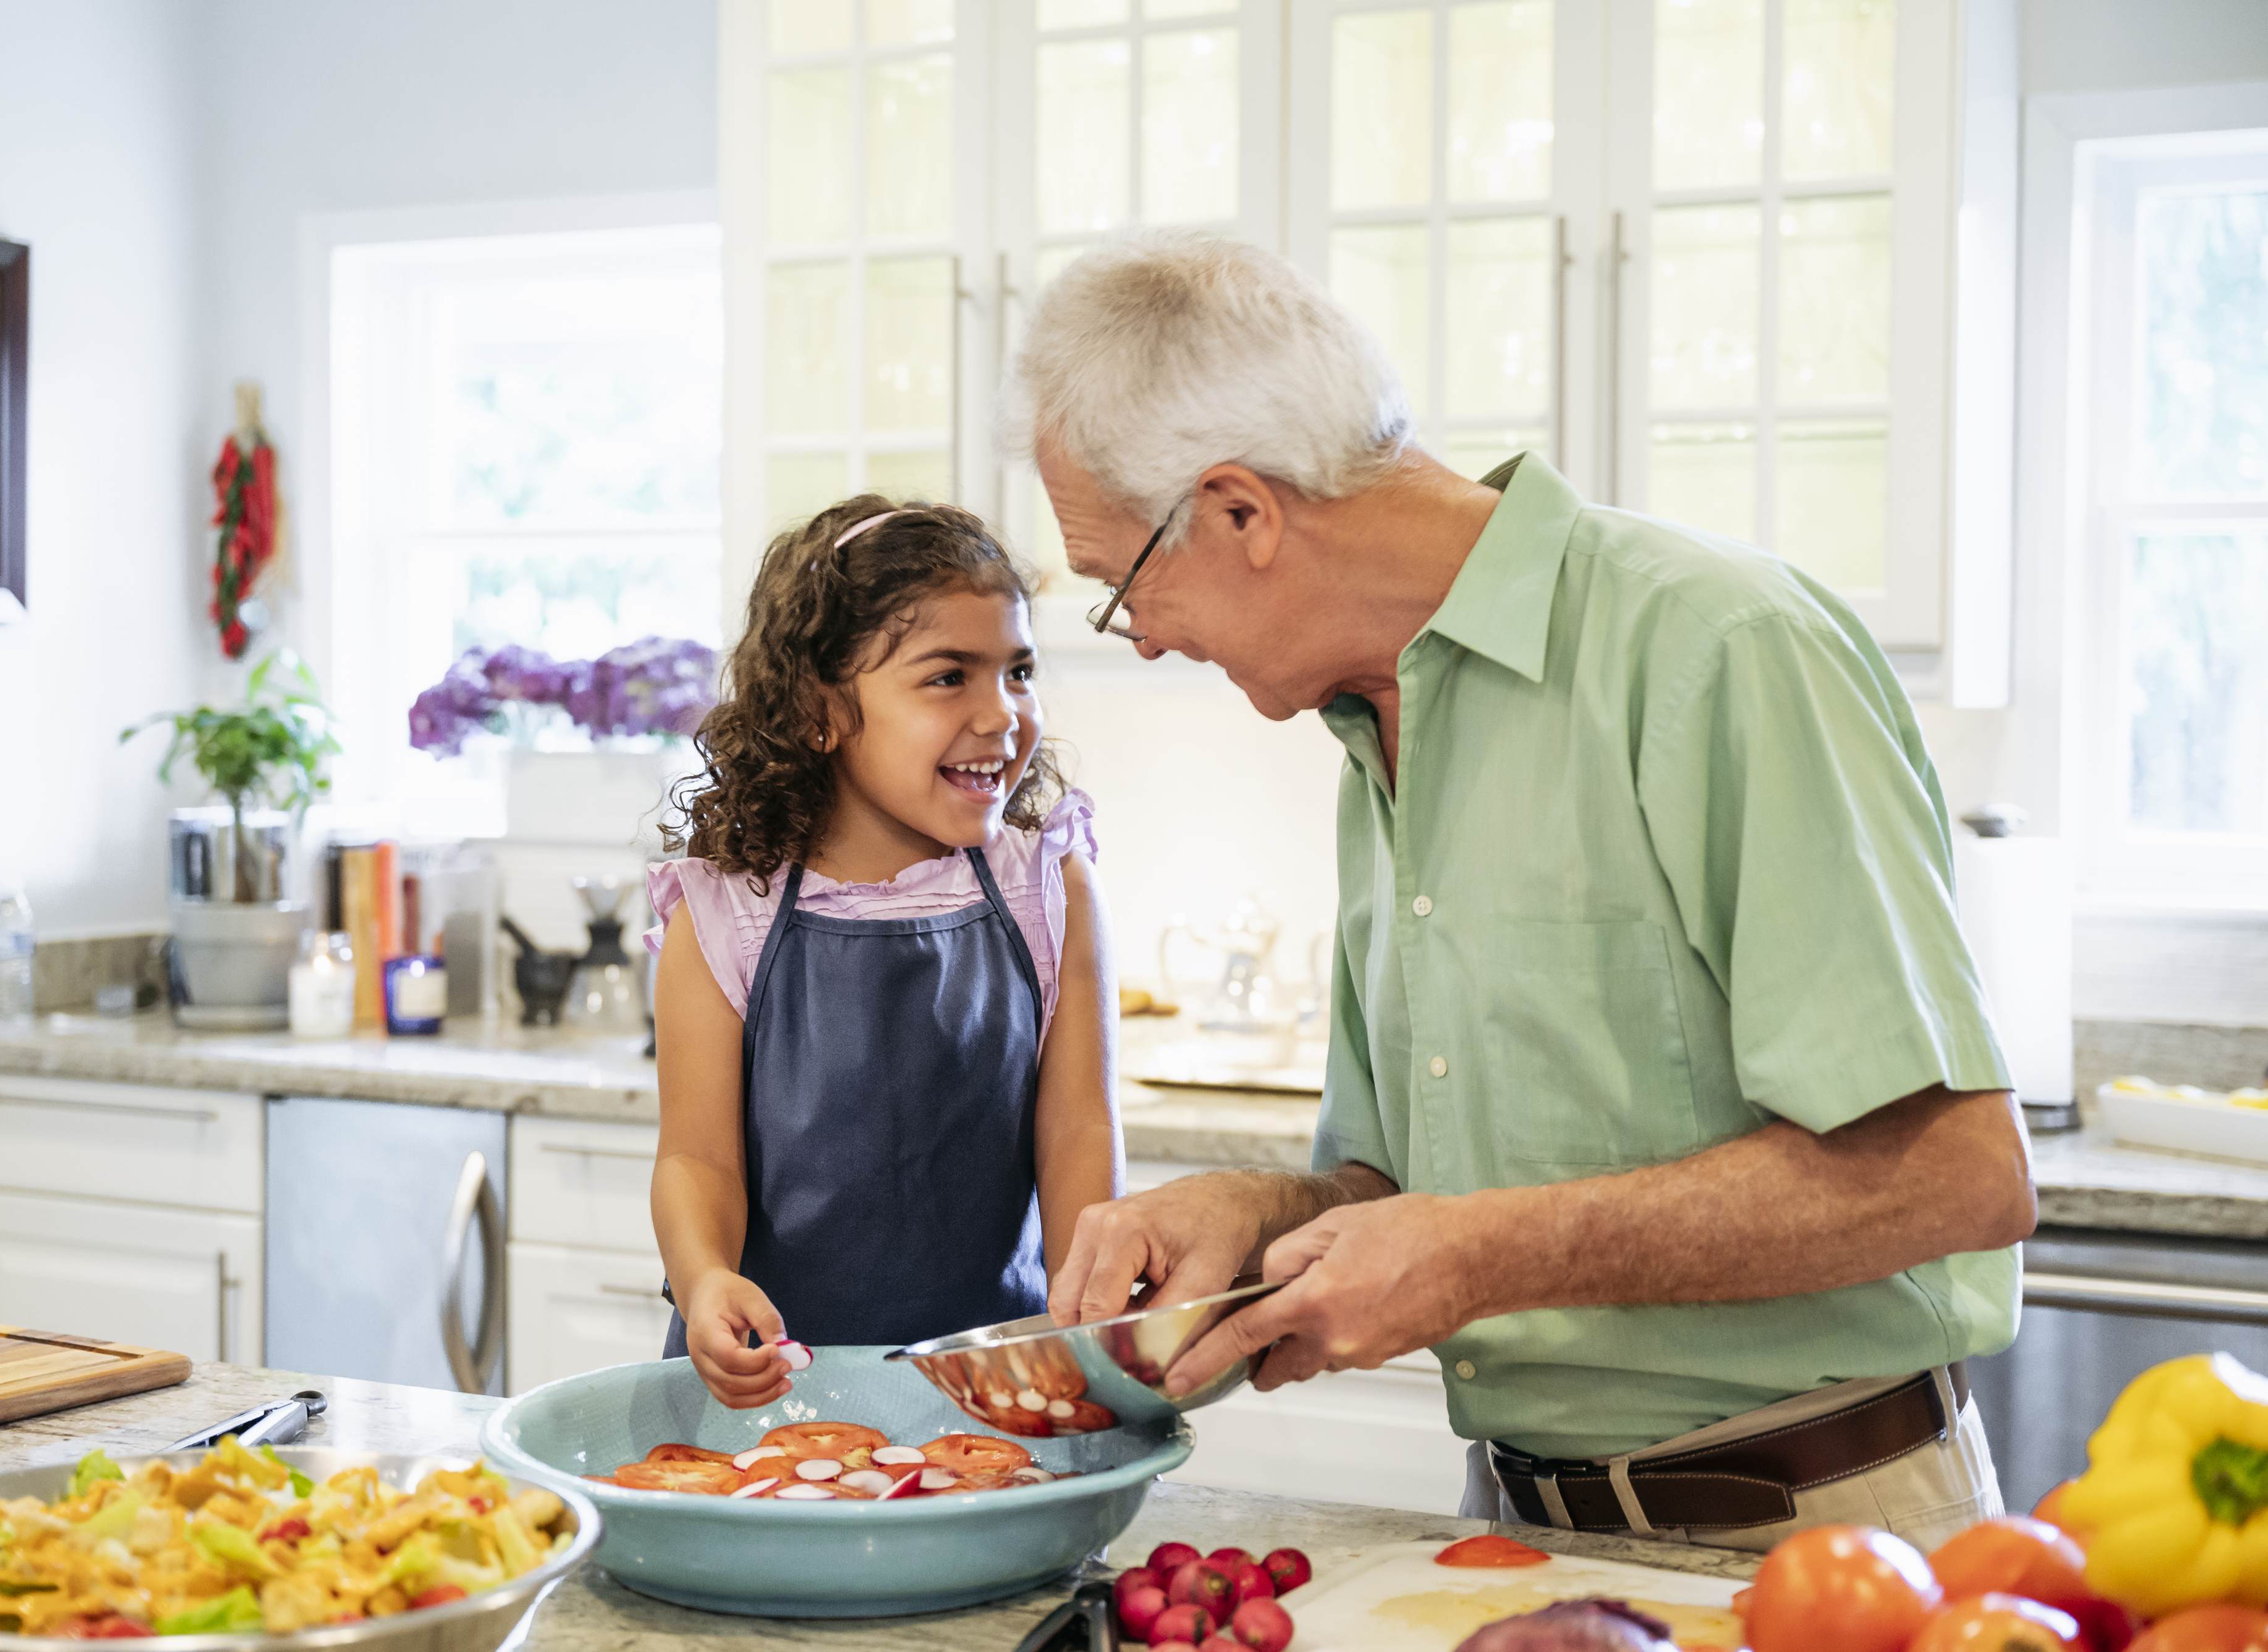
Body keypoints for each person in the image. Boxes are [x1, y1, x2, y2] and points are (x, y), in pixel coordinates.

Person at [1014, 231, 2037, 1552]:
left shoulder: (1714, 646)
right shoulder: (1369, 728)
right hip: (1515, 1523)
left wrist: (1485, 1253)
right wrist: (1263, 1212)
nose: (1138, 632)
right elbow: (1410, 1188)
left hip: (1815, 1532)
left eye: (1116, 585)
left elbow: (1957, 1177)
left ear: (1239, 511)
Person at [645, 496, 1123, 1410]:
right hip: (764, 1395)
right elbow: (697, 1159)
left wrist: (1089, 1335)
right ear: (821, 709)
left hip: (992, 1387)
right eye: (949, 677)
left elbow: (1076, 1133)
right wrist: (705, 1278)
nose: (1002, 714)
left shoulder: (1047, 885)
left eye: (1017, 671)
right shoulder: (722, 908)